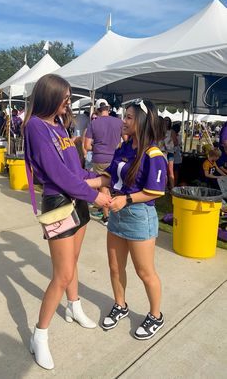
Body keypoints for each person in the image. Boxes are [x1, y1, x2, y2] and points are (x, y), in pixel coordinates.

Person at [23, 74, 111, 370]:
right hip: (59, 204)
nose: (69, 101)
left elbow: (74, 169)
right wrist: (94, 193)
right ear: (51, 96)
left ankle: (74, 308)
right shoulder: (35, 126)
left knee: (73, 262)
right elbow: (58, 176)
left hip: (78, 200)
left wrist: (98, 180)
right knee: (61, 274)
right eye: (65, 96)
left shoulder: (60, 126)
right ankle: (40, 334)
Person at [86, 99, 167, 340]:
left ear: (141, 121)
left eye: (129, 117)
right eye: (125, 116)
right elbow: (109, 178)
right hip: (118, 213)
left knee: (145, 272)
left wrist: (127, 200)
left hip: (139, 216)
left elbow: (156, 191)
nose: (124, 121)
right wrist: (82, 183)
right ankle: (120, 305)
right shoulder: (123, 148)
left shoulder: (154, 154)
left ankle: (156, 315)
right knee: (114, 266)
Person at [84, 99, 123, 226]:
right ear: (108, 108)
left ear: (97, 110)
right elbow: (127, 139)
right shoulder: (119, 122)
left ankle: (106, 217)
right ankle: (116, 213)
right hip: (116, 157)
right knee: (117, 186)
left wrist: (99, 147)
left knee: (103, 187)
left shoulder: (94, 123)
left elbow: (86, 145)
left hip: (100, 158)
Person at [164, 117, 176, 190]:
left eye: (167, 120)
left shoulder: (172, 131)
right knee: (163, 170)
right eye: (164, 120)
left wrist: (169, 143)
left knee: (170, 171)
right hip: (162, 152)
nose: (166, 122)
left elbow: (176, 142)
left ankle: (172, 188)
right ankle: (164, 187)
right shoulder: (160, 131)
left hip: (170, 152)